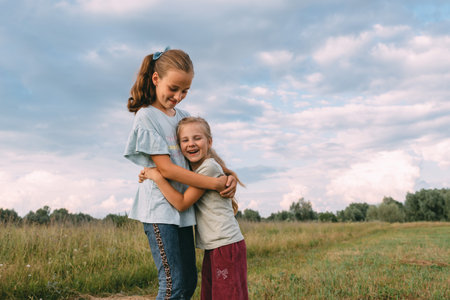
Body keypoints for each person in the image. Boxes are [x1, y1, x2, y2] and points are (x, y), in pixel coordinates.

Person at [123, 48, 237, 300]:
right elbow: (165, 168)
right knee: (173, 283)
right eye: (173, 88)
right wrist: (213, 183)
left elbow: (207, 153)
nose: (178, 96)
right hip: (160, 210)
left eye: (184, 91)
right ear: (156, 79)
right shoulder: (146, 117)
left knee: (188, 282)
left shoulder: (184, 117)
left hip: (184, 210)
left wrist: (228, 176)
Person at [140, 116, 248, 300]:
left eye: (197, 138)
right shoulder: (196, 171)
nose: (191, 144)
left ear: (209, 141)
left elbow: (182, 203)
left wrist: (157, 177)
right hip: (215, 246)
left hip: (225, 245)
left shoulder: (209, 169)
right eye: (185, 140)